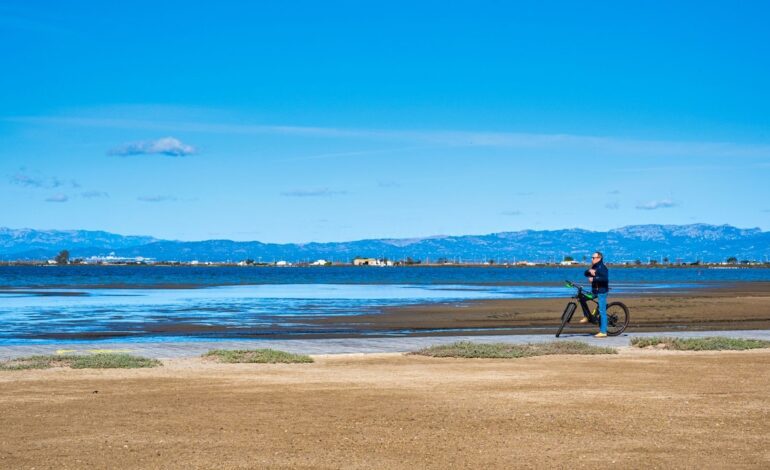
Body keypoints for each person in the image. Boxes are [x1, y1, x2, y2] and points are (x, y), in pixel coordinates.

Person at [583, 251, 609, 338]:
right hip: (594, 292)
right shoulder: (594, 266)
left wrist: (594, 279)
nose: (592, 259)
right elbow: (585, 273)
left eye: (593, 258)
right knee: (582, 298)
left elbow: (604, 279)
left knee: (602, 312)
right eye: (592, 257)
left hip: (602, 292)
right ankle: (587, 316)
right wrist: (589, 271)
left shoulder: (602, 267)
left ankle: (603, 332)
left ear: (599, 258)